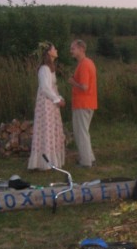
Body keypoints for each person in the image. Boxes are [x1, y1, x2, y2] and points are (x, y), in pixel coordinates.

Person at [28, 42, 66, 170]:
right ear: (49, 52)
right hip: (46, 103)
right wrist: (56, 99)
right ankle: (45, 161)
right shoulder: (44, 68)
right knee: (46, 129)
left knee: (52, 129)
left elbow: (52, 87)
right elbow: (45, 88)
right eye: (54, 48)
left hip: (51, 102)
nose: (56, 50)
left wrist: (59, 98)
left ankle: (52, 160)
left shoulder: (50, 67)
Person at [68, 39, 97, 168]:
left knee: (81, 133)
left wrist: (73, 82)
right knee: (84, 131)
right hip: (88, 103)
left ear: (81, 49)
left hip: (83, 103)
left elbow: (84, 87)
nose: (71, 51)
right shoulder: (87, 63)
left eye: (73, 49)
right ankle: (89, 157)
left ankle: (86, 162)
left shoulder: (84, 64)